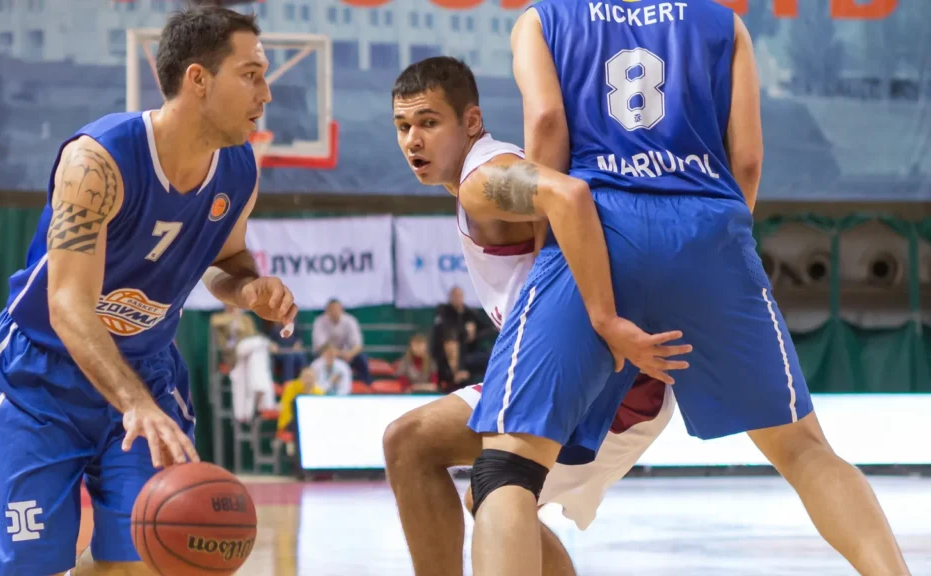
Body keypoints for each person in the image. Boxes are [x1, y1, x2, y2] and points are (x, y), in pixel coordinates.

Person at [505, 1, 909, 575]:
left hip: (594, 225)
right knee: (803, 449)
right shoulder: (725, 22)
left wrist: (555, 243)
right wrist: (715, 248)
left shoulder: (540, 19)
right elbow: (746, 157)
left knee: (511, 466)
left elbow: (546, 125)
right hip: (704, 226)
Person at [0, 8, 297, 576]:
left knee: (149, 558)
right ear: (198, 79)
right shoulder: (96, 162)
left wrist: (251, 290)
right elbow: (67, 304)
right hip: (43, 374)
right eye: (250, 74)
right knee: (26, 567)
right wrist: (136, 407)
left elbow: (225, 264)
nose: (266, 93)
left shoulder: (239, 170)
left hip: (146, 371)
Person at [387, 56, 681, 576]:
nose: (413, 139)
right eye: (403, 126)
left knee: (415, 446)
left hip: (606, 385)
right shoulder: (478, 182)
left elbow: (569, 196)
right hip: (589, 375)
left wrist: (607, 319)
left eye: (429, 122)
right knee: (492, 497)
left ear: (471, 122)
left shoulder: (483, 177)